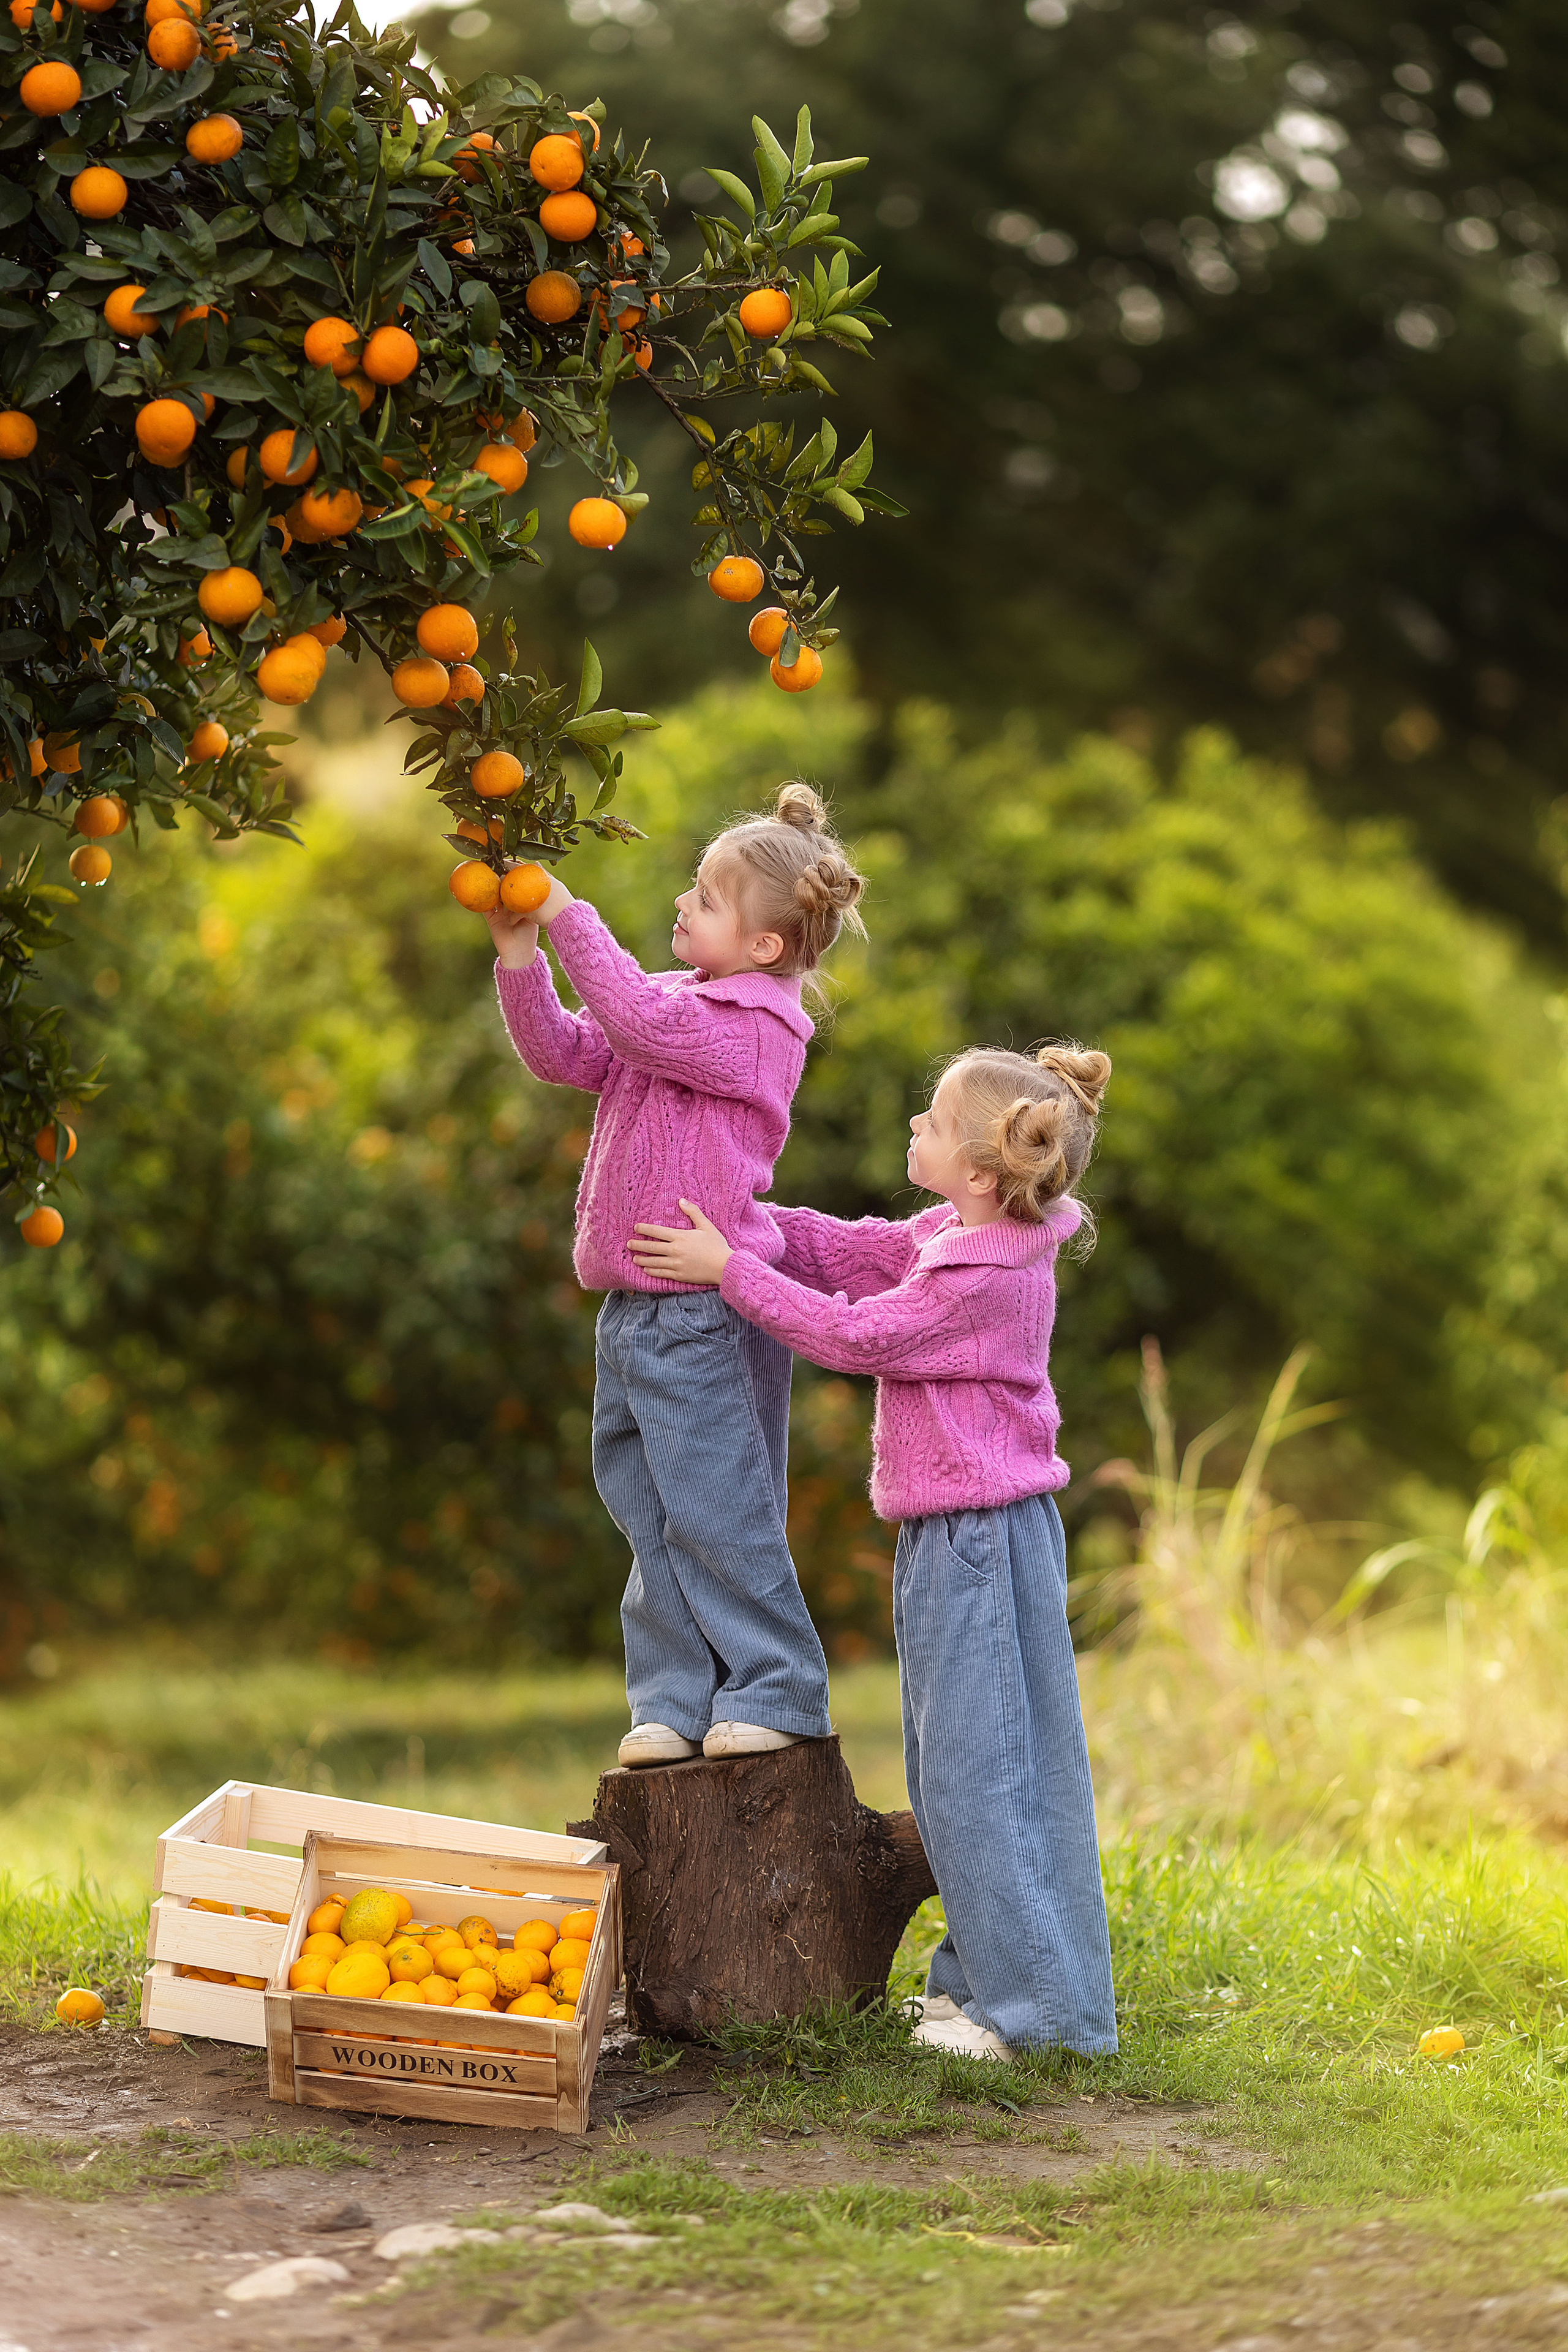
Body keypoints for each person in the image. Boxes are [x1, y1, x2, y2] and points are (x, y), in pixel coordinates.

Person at [628, 1042, 1118, 2059]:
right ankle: (980, 1993)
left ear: (977, 1170)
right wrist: (752, 1222)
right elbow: (856, 1249)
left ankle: (1036, 2021)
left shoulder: (983, 1281)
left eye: (930, 1122)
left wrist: (732, 1272)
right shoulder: (963, 1234)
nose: (912, 1128)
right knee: (961, 1774)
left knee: (981, 1777)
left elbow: (857, 1336)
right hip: (961, 1535)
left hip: (980, 1541)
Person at [488, 783, 866, 1768]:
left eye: (706, 898)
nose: (682, 905)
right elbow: (566, 1051)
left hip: (702, 1313)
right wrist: (521, 955)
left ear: (765, 946)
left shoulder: (758, 1028)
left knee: (720, 1509)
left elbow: (633, 1019)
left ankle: (778, 1687)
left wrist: (566, 912)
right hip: (632, 1313)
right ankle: (674, 1699)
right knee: (649, 1515)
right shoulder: (678, 1001)